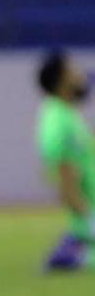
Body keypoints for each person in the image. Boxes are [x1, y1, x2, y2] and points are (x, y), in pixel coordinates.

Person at [37, 50, 95, 272]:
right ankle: (72, 253)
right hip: (87, 225)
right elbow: (66, 179)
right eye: (74, 70)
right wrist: (90, 222)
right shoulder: (58, 121)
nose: (81, 75)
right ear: (62, 79)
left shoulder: (66, 115)